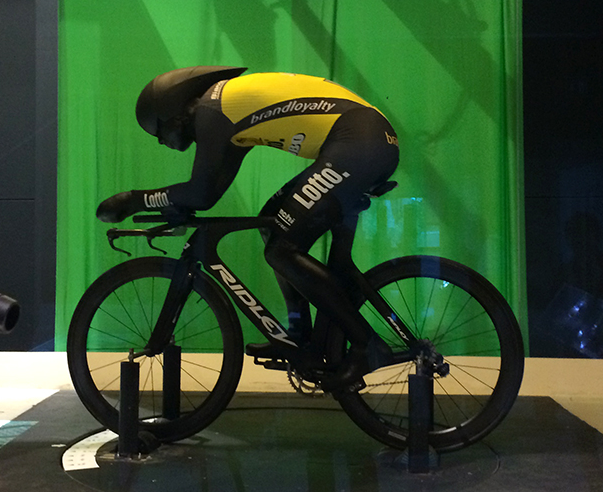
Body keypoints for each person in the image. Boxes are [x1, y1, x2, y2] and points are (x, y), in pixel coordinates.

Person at [97, 66, 400, 390]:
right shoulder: (229, 112)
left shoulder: (213, 110)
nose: (160, 142)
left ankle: (369, 345)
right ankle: (299, 335)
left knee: (283, 250)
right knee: (273, 220)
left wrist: (133, 200)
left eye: (158, 132)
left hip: (358, 143)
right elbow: (208, 194)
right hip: (367, 140)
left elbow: (199, 193)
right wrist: (172, 203)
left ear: (173, 113)